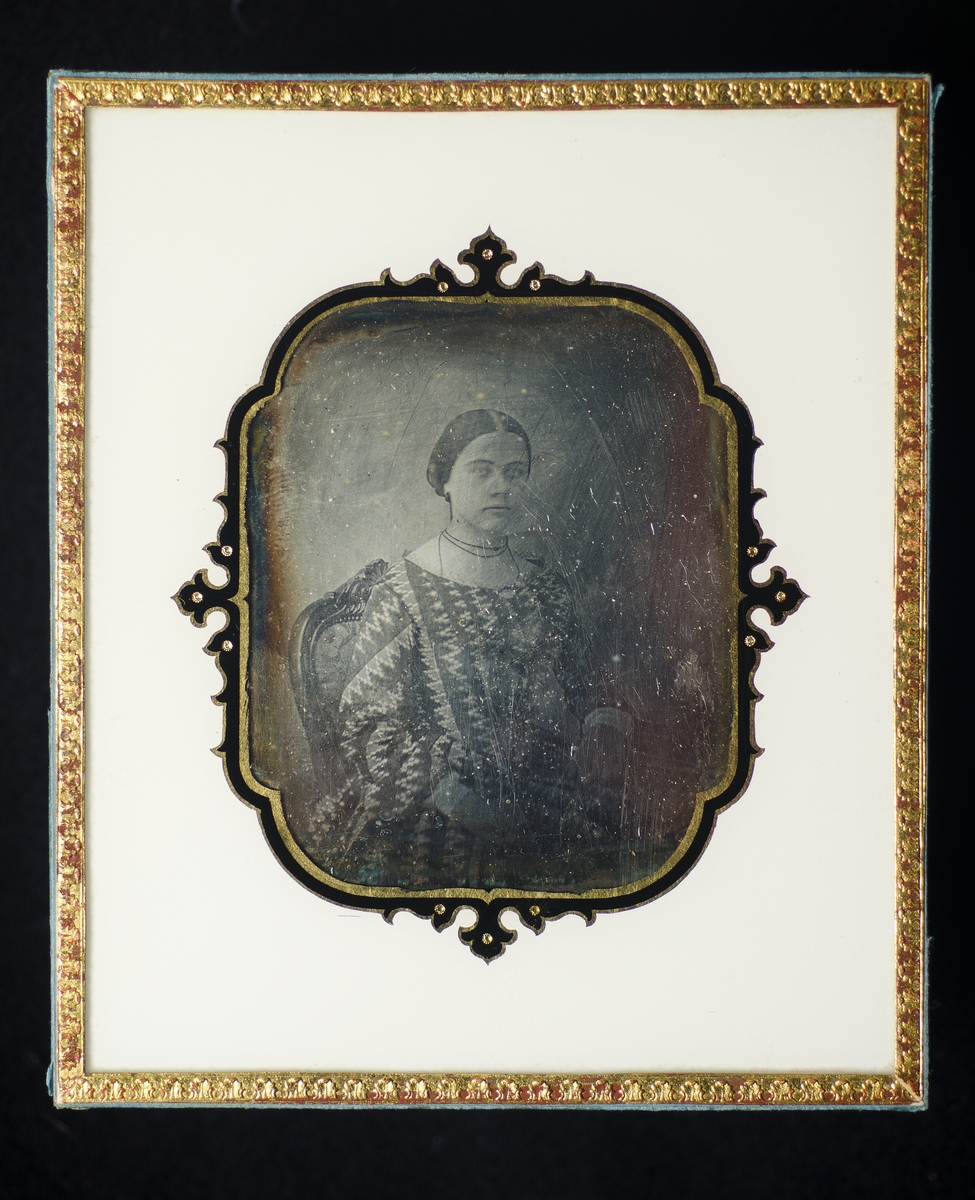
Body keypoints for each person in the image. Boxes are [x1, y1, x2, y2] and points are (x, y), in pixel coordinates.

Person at [295, 409, 632, 890]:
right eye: (482, 471)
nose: (502, 487)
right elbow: (367, 725)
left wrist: (602, 732)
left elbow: (588, 688)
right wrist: (456, 795)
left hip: (554, 798)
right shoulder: (404, 589)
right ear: (446, 481)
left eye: (515, 472)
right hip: (443, 806)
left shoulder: (547, 588)